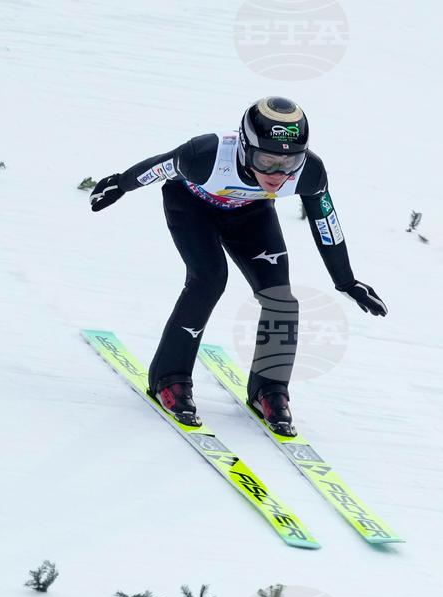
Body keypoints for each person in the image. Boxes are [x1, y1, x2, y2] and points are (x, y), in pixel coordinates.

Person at [90, 96, 386, 436]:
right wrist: (120, 183)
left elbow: (325, 223)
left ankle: (270, 389)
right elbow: (160, 166)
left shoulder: (310, 171)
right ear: (245, 148)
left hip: (251, 213)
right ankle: (169, 378)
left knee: (281, 299)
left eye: (290, 162)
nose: (278, 174)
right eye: (266, 160)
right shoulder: (205, 156)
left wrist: (346, 281)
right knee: (209, 280)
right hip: (192, 205)